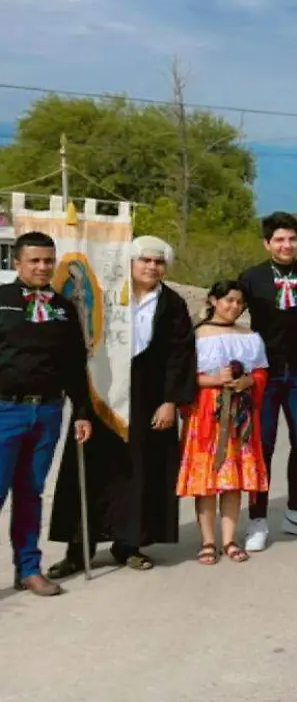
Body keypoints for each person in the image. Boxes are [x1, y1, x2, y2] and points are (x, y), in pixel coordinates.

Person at [48, 236, 197, 578]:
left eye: (158, 262)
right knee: (90, 466)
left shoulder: (172, 304)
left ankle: (128, 544)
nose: (151, 267)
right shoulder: (108, 296)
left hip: (149, 394)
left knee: (139, 470)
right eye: (144, 260)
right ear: (131, 263)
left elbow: (180, 354)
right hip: (102, 388)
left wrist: (171, 401)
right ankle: (77, 548)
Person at [0, 231, 92, 596]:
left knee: (30, 493)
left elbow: (74, 364)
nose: (42, 267)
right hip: (5, 409)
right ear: (17, 262)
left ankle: (28, 568)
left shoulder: (63, 308)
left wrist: (82, 411)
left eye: (48, 261)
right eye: (35, 260)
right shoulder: (2, 300)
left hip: (48, 412)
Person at [237, 211, 297, 551]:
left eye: (291, 238)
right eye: (279, 239)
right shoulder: (252, 277)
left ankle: (296, 512)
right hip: (265, 372)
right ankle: (258, 518)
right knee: (264, 445)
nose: (286, 244)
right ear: (267, 243)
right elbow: (230, 313)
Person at [177, 281, 270, 565]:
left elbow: (262, 372)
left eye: (239, 302)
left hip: (240, 413)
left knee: (233, 478)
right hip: (206, 412)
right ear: (213, 300)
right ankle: (208, 540)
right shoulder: (195, 335)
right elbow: (183, 376)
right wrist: (213, 381)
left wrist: (248, 381)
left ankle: (230, 538)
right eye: (228, 300)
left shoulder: (251, 336)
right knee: (206, 477)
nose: (234, 307)